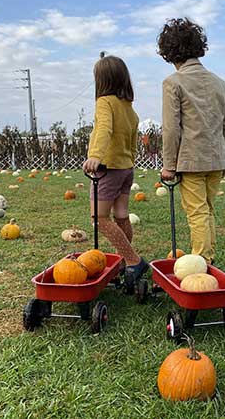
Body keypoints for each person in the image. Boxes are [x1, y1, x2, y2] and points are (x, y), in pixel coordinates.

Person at [158, 18, 225, 264]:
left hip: (190, 161)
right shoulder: (220, 83)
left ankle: (201, 263)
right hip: (216, 159)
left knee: (197, 213)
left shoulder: (173, 82)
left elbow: (171, 129)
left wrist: (169, 164)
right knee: (208, 210)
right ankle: (209, 258)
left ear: (169, 52)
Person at [83, 54, 147, 284]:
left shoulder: (104, 103)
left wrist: (95, 156)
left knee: (99, 218)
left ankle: (132, 260)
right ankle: (123, 262)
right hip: (126, 169)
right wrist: (130, 161)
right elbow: (132, 141)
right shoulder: (129, 109)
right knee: (121, 216)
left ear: (101, 80)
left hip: (107, 168)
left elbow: (104, 130)